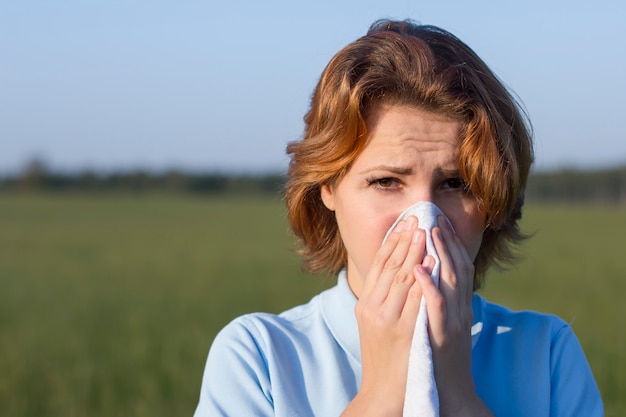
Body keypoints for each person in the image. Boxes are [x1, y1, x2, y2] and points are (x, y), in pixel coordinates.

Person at [193, 19, 603, 416]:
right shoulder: (261, 359)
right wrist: (382, 394)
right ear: (329, 188)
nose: (423, 220)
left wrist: (458, 396)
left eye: (457, 184)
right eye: (387, 181)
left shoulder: (546, 354)